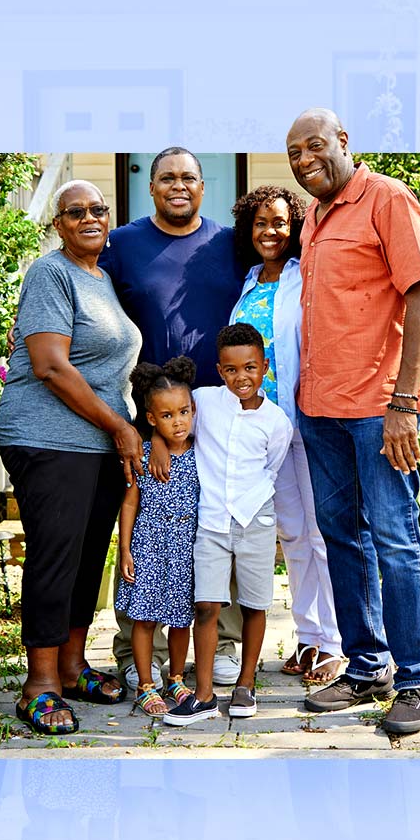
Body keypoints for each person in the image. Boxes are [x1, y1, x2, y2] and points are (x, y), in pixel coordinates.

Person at [286, 109, 420, 736]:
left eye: (314, 146)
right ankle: (367, 666)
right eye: (294, 152)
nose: (304, 160)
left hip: (379, 411)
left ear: (343, 143)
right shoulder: (316, 217)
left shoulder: (387, 199)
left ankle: (417, 678)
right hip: (320, 408)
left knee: (396, 540)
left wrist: (403, 403)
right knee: (341, 539)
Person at [0, 180, 141, 736]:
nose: (88, 218)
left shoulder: (101, 279)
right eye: (74, 211)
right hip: (50, 436)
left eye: (97, 210)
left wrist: (116, 430)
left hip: (98, 441)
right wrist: (121, 428)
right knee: (56, 557)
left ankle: (75, 666)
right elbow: (51, 365)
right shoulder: (50, 274)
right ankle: (40, 685)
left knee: (85, 561)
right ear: (58, 224)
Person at [98, 146, 247, 687]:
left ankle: (223, 639)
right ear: (151, 186)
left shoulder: (229, 244)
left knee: (215, 523)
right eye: (166, 178)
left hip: (218, 409)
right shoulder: (123, 245)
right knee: (145, 526)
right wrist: (146, 429)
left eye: (188, 177)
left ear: (204, 187)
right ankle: (134, 648)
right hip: (149, 411)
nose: (177, 185)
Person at [227, 185, 343, 683]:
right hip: (262, 430)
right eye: (260, 223)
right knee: (292, 533)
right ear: (248, 231)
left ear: (294, 225)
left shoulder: (303, 277)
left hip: (302, 420)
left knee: (319, 532)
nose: (270, 232)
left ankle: (335, 642)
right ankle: (307, 638)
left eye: (279, 222)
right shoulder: (249, 283)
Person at [163, 323, 294, 726]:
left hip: (255, 519)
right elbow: (176, 419)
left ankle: (245, 683)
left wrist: (250, 505)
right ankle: (203, 695)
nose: (242, 377)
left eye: (251, 368)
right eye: (232, 370)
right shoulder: (203, 401)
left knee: (254, 604)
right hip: (212, 522)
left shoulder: (277, 422)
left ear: (265, 368)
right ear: (220, 371)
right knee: (205, 605)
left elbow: (271, 468)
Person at [113, 356, 204, 717]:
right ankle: (146, 684)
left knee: (182, 618)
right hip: (149, 544)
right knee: (145, 618)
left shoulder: (203, 451)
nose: (177, 422)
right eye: (166, 416)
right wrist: (124, 549)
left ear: (192, 409)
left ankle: (177, 679)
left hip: (186, 545)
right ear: (151, 419)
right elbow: (130, 503)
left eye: (183, 412)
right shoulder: (144, 453)